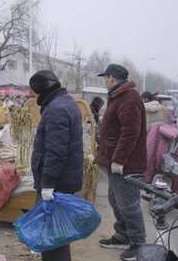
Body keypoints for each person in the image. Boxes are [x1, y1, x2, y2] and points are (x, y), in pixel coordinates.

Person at [95, 64, 147, 261]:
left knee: (128, 204)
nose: (105, 81)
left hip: (126, 163)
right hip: (114, 160)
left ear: (112, 78)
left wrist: (119, 159)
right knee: (115, 200)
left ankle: (138, 243)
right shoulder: (118, 96)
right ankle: (122, 235)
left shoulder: (129, 98)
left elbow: (130, 132)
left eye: (105, 77)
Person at [29, 70, 83, 261]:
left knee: (52, 237)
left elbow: (56, 151)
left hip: (57, 184)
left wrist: (48, 184)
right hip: (63, 180)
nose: (34, 96)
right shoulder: (65, 102)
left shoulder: (56, 109)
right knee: (57, 234)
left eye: (34, 92)